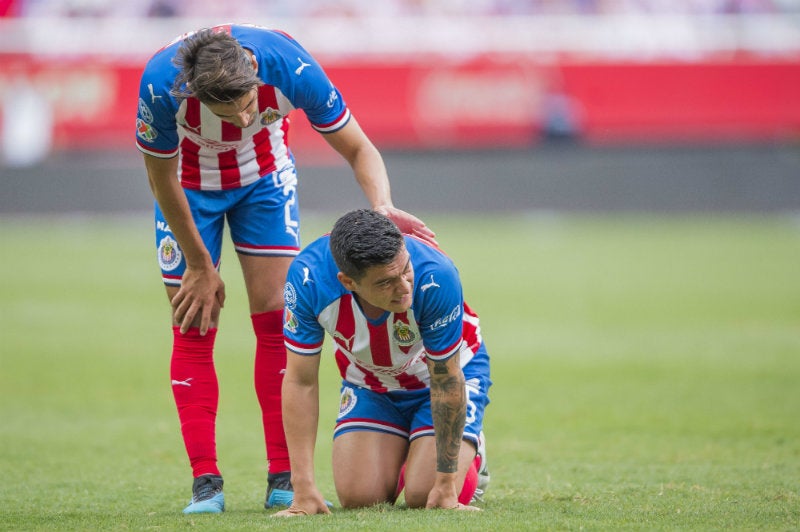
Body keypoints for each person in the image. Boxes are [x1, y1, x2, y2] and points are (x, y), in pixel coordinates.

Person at [135, 25, 435, 514]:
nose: (244, 117)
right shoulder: (157, 85)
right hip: (188, 191)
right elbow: (159, 177)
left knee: (277, 319)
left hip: (265, 181)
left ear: (255, 72)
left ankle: (283, 476)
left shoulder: (290, 64)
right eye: (226, 114)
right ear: (195, 94)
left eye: (250, 105)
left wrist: (384, 209)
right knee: (193, 318)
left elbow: (359, 148)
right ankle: (205, 482)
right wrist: (197, 263)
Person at [274, 209, 491, 516]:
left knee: (423, 495)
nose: (404, 287)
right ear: (348, 281)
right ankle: (414, 447)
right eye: (386, 282)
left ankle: (471, 453)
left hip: (444, 376)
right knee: (360, 497)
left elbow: (445, 377)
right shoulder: (308, 280)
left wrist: (445, 485)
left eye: (405, 270)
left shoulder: (436, 274)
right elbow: (300, 380)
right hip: (371, 384)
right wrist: (303, 488)